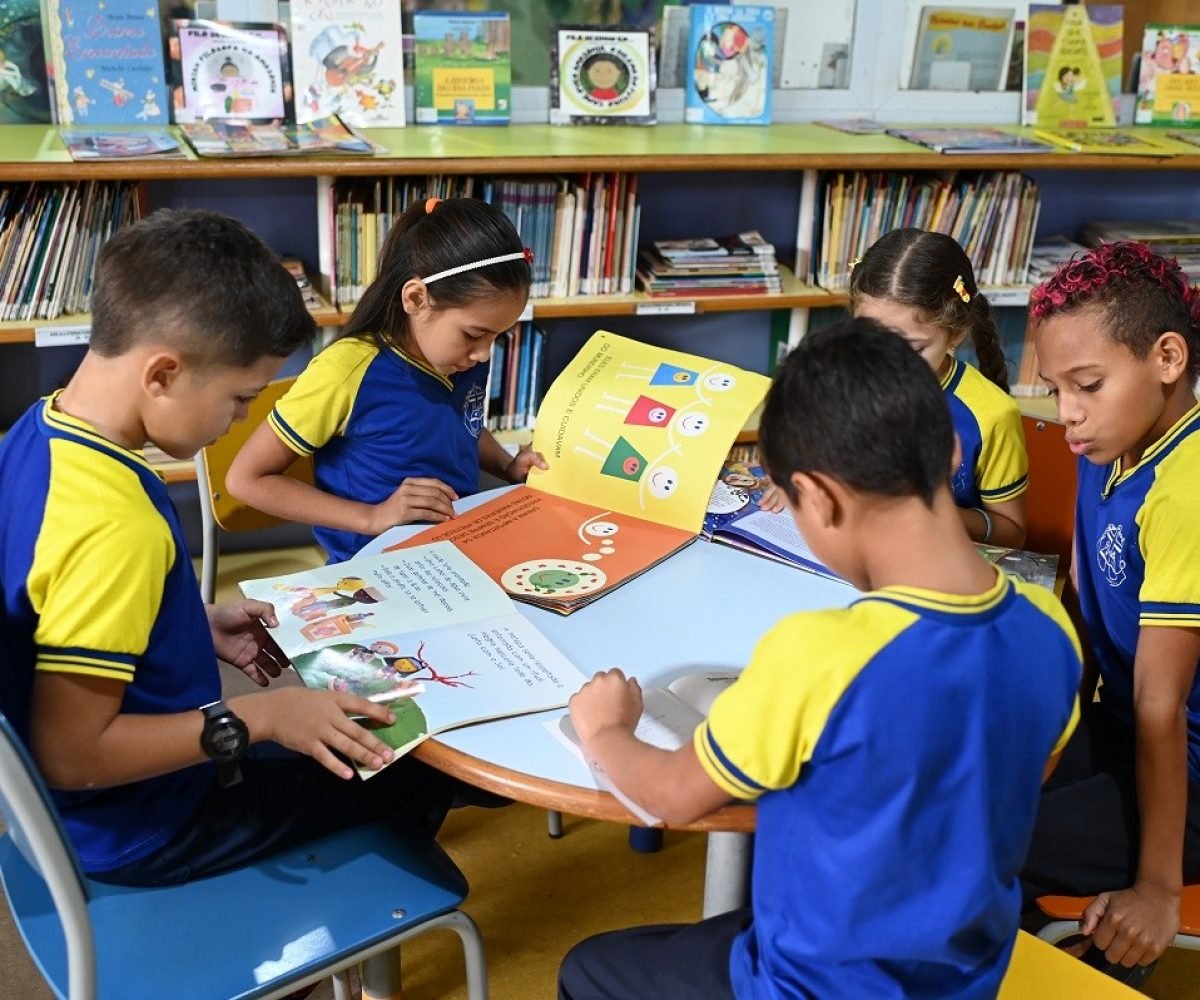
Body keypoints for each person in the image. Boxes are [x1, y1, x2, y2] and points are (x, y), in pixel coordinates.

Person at [558, 318, 1082, 999]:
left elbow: (670, 795)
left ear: (822, 498)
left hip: (807, 985)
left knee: (587, 967)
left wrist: (606, 731)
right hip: (965, 978)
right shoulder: (1050, 628)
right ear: (953, 452)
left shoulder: (820, 655)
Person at [0, 209, 458, 886]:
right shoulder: (114, 526)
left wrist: (185, 620)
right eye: (240, 398)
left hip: (92, 806)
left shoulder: (37, 433)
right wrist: (261, 715)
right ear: (162, 373)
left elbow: (51, 604)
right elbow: (73, 753)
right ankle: (323, 949)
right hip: (146, 823)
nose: (241, 420)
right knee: (404, 772)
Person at [1021, 240, 1200, 984]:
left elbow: (1163, 708)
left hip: (1188, 771)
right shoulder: (1111, 449)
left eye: (1087, 385)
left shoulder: (1187, 491)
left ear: (1167, 358)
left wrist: (1157, 889)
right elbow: (1087, 618)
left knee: (971, 836)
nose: (1067, 414)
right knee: (958, 788)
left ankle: (1106, 959)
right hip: (1127, 732)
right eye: (1057, 388)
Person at [227, 196, 546, 563]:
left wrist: (507, 466)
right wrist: (372, 516)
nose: (485, 354)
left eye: (498, 337)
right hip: (372, 573)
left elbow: (462, 425)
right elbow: (246, 480)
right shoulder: (345, 372)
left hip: (454, 554)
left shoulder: (462, 358)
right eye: (474, 334)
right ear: (415, 298)